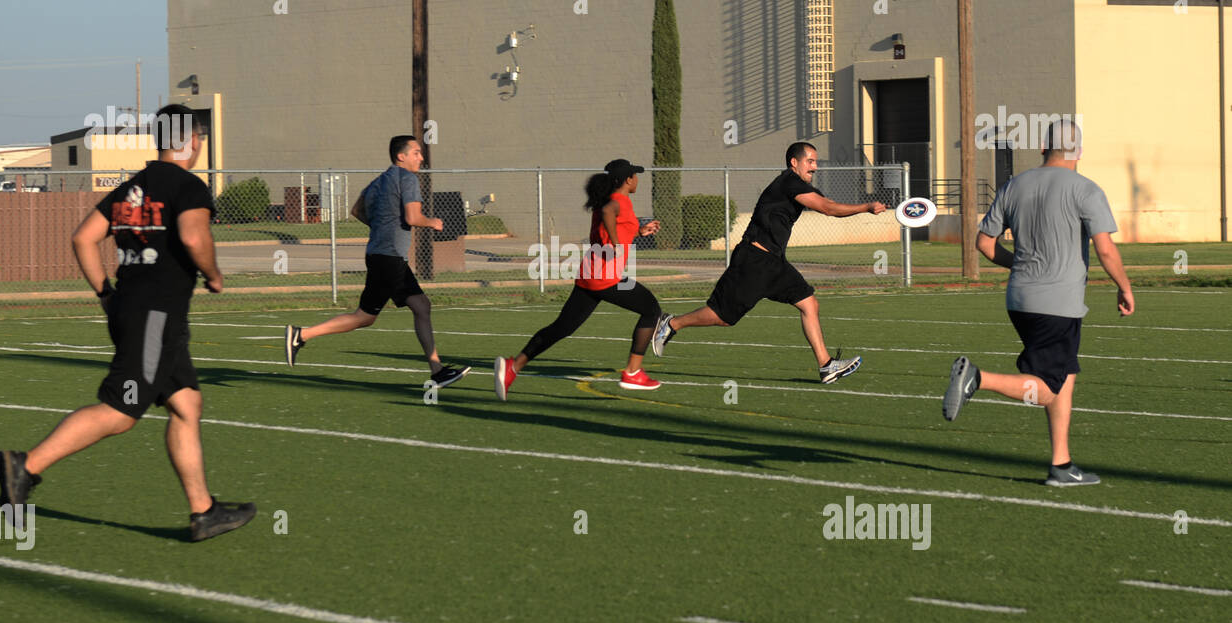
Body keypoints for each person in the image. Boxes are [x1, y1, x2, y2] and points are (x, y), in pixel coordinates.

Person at [0, 105, 256, 542]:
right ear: (192, 141)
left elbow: (83, 238)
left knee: (186, 404)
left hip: (133, 310)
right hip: (157, 317)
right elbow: (194, 237)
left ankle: (203, 511)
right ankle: (27, 467)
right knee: (121, 411)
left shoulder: (131, 188)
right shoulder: (188, 186)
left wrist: (105, 294)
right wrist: (213, 274)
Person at [943, 119, 1134, 486]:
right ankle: (977, 378)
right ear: (1078, 151)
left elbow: (985, 244)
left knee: (1066, 375)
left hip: (1019, 299)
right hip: (1058, 304)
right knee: (1047, 390)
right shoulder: (1086, 189)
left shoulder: (1015, 185)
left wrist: (1021, 263)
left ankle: (1061, 464)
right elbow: (1105, 249)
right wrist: (1124, 286)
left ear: (1043, 147)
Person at [651, 141, 884, 383]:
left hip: (774, 262)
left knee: (809, 304)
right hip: (753, 260)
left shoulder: (799, 185)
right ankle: (672, 323)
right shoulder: (789, 182)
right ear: (794, 162)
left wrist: (859, 207)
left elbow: (829, 205)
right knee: (723, 317)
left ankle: (826, 366)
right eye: (810, 161)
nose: (814, 167)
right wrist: (866, 206)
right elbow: (828, 208)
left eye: (815, 162)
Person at [284, 135, 469, 389]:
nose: (421, 157)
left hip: (385, 255)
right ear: (401, 156)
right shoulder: (408, 179)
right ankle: (302, 335)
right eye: (416, 152)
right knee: (365, 317)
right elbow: (413, 217)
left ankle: (437, 370)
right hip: (389, 258)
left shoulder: (379, 181)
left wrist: (382, 225)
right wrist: (433, 222)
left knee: (421, 305)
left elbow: (357, 211)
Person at [494, 159, 663, 400]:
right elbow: (609, 214)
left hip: (590, 275)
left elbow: (611, 221)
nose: (638, 179)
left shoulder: (607, 201)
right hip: (606, 277)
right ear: (628, 180)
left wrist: (639, 231)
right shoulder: (619, 201)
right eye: (635, 175)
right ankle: (633, 372)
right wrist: (615, 242)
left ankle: (512, 367)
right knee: (651, 310)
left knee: (563, 327)